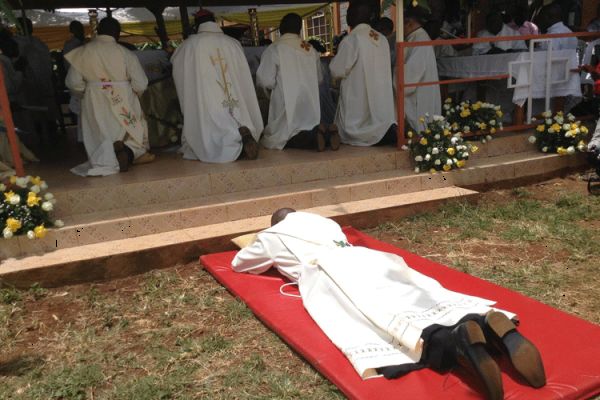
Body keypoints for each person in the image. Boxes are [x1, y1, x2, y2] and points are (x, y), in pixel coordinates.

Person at [232, 208, 547, 400]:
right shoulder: (324, 222)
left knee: (377, 316)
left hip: (331, 271)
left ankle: (457, 341)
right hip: (368, 258)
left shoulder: (273, 235)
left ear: (276, 222)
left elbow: (242, 263)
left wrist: (263, 239)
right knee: (414, 292)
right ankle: (486, 323)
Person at [65, 17, 153, 176]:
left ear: (98, 31)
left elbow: (73, 82)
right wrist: (132, 94)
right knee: (130, 131)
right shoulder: (125, 53)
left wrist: (85, 92)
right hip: (123, 97)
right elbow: (141, 83)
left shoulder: (83, 52)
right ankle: (126, 151)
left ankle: (104, 160)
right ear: (118, 34)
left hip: (94, 97)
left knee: (99, 131)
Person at [172, 9, 262, 163]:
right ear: (214, 20)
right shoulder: (233, 43)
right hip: (235, 98)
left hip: (208, 99)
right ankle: (243, 135)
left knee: (211, 131)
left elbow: (180, 74)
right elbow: (243, 77)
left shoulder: (188, 46)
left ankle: (231, 145)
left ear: (197, 24)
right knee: (237, 115)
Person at [257, 14, 339, 152]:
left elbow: (264, 81)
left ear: (281, 28)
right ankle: (325, 134)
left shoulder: (275, 49)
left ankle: (315, 136)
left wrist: (267, 95)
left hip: (286, 105)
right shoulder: (310, 50)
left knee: (283, 137)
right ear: (299, 29)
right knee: (307, 125)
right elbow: (319, 79)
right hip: (309, 104)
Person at [330, 4, 396, 146]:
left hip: (357, 95)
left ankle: (368, 134)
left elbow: (337, 70)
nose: (347, 15)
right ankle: (384, 132)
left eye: (350, 11)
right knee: (378, 119)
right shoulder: (382, 39)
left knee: (355, 126)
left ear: (357, 15)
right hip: (380, 95)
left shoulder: (351, 40)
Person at [13, 17, 57, 139]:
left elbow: (47, 59)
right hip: (27, 83)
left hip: (43, 80)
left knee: (48, 109)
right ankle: (37, 133)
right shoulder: (14, 43)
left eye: (30, 25)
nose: (29, 28)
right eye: (25, 26)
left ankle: (52, 129)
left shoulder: (37, 41)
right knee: (32, 111)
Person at [401, 0, 441, 132]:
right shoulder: (416, 37)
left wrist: (393, 71)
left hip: (420, 94)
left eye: (402, 24)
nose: (400, 29)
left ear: (410, 23)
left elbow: (410, 77)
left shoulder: (420, 39)